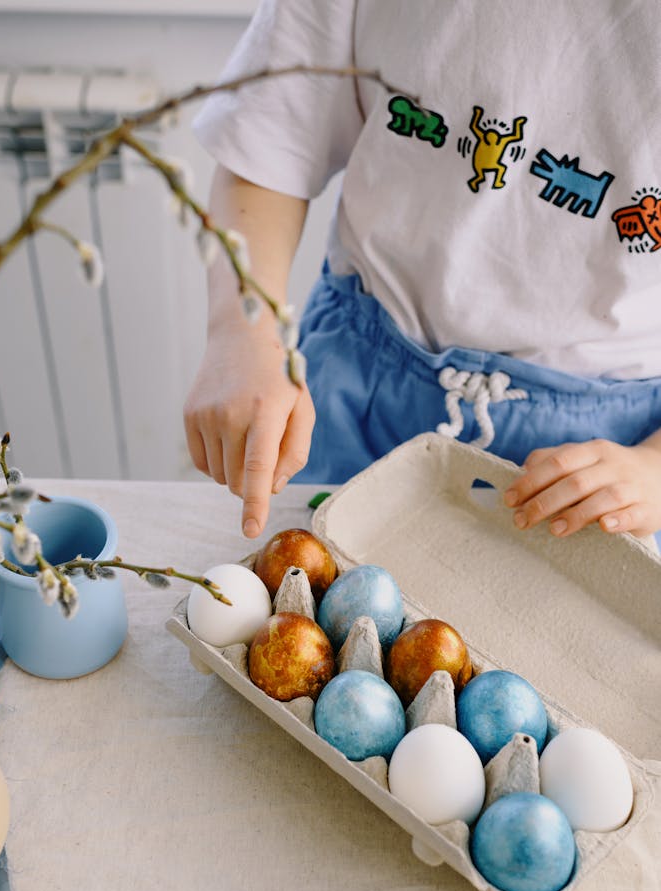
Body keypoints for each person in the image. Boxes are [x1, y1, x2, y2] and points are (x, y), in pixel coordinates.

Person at [184, 0, 661, 545]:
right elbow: (264, 155)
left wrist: (654, 469)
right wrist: (240, 338)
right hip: (355, 390)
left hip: (604, 463)